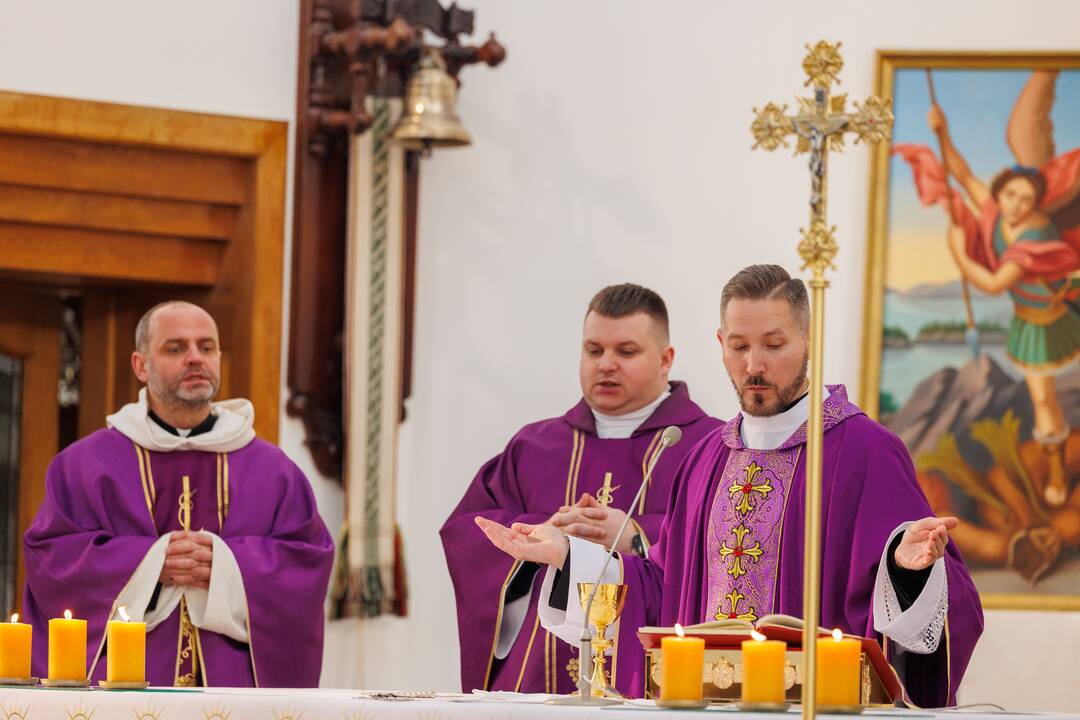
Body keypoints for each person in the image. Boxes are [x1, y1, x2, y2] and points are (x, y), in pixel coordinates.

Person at [477, 266, 983, 707]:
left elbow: (941, 607)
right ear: (720, 344)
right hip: (707, 706)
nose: (753, 365)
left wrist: (906, 570)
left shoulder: (865, 450)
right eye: (739, 347)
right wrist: (570, 556)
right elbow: (660, 588)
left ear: (811, 341)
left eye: (774, 345)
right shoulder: (705, 460)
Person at [22, 301, 334, 687]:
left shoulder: (274, 472)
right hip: (124, 697)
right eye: (175, 348)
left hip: (234, 698)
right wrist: (152, 565)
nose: (195, 359)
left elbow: (306, 565)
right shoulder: (84, 466)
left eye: (206, 347)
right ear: (140, 365)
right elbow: (53, 560)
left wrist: (226, 567)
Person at [441, 283, 723, 695]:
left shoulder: (710, 447)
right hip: (538, 681)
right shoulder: (534, 447)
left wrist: (639, 537)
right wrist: (540, 535)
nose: (606, 365)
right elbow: (468, 535)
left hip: (653, 684)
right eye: (594, 351)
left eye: (626, 352)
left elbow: (731, 546)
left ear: (666, 360)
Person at [895, 69, 1080, 507]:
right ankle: (1054, 466)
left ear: (1035, 204)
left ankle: (1057, 467)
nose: (1015, 205)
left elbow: (995, 284)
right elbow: (958, 170)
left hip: (1054, 321)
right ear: (1002, 193)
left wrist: (959, 252)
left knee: (1047, 399)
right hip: (1026, 322)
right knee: (1041, 400)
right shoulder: (998, 213)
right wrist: (943, 131)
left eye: (1024, 199)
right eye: (1010, 196)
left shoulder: (1036, 239)